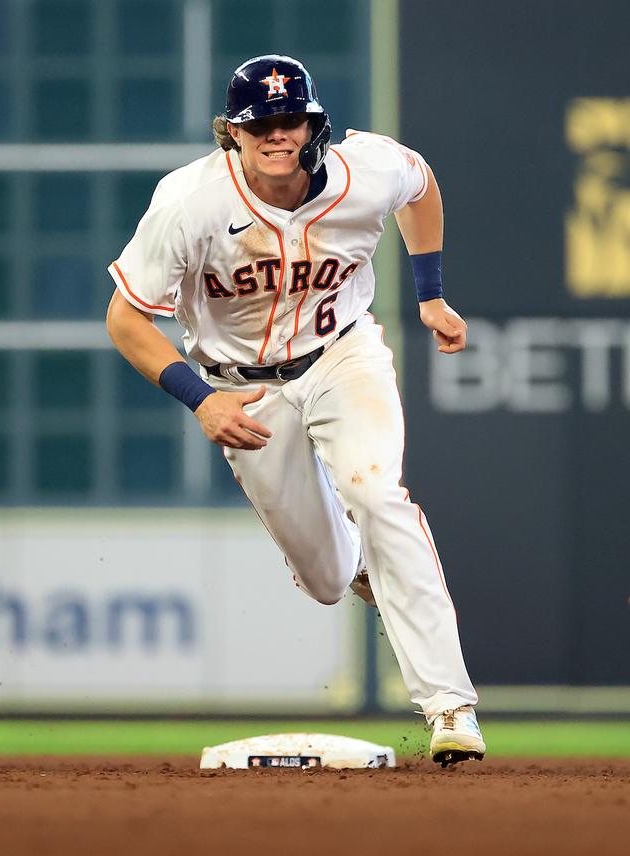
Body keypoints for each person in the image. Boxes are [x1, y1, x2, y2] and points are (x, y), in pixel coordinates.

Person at [105, 55, 485, 766]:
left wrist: (430, 293)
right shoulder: (190, 201)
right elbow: (125, 319)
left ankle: (450, 705)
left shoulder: (364, 170)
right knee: (327, 580)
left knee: (377, 494)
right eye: (261, 125)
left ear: (315, 125)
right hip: (242, 387)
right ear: (233, 133)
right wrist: (201, 400)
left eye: (292, 120)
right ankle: (360, 561)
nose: (278, 135)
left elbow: (421, 183)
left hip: (343, 354)